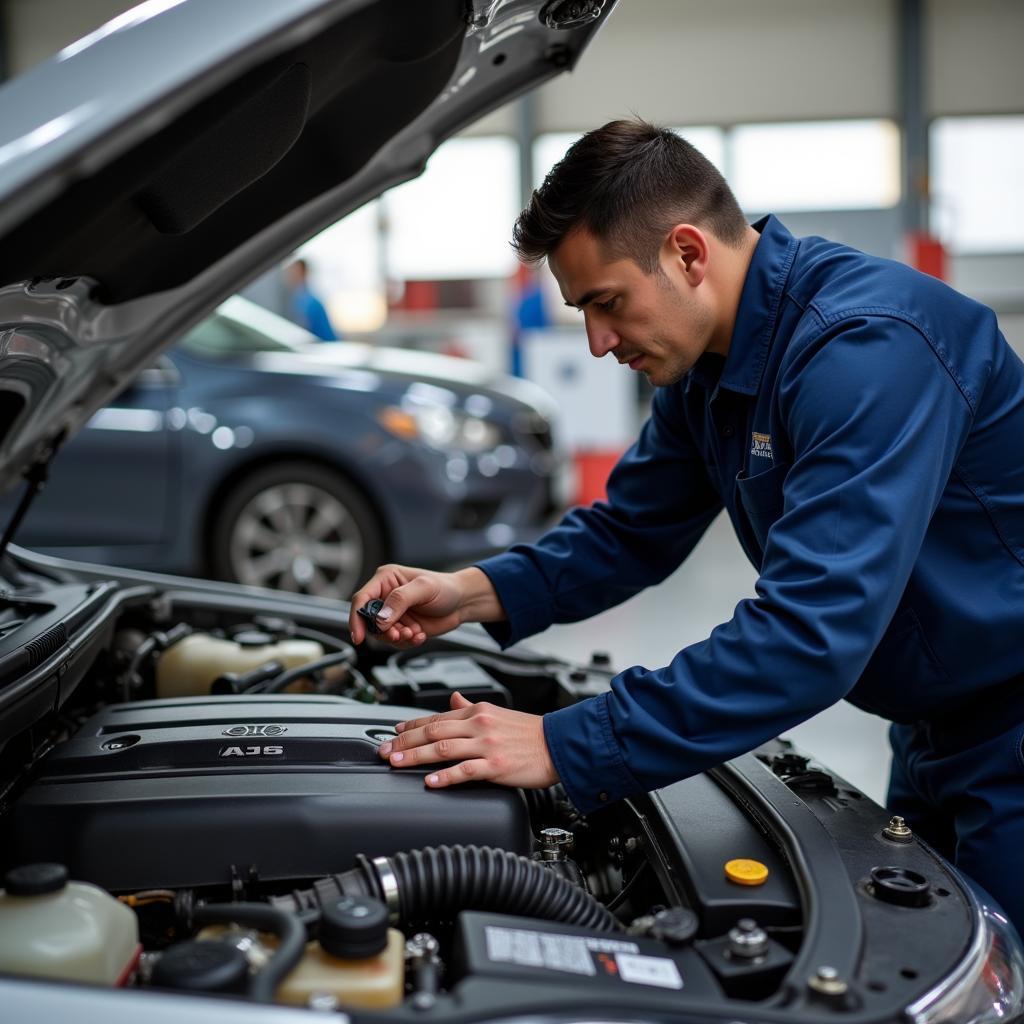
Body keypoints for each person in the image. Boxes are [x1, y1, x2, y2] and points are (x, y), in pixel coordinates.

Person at [348, 119, 1024, 928]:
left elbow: (811, 634)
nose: (597, 343)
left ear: (687, 253)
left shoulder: (867, 350)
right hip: (934, 726)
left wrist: (567, 745)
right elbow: (629, 531)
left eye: (607, 304)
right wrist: (468, 591)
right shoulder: (709, 369)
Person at [285, 257, 339, 341]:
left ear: (303, 273)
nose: (290, 276)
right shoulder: (296, 300)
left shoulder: (311, 303)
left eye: (294, 272)